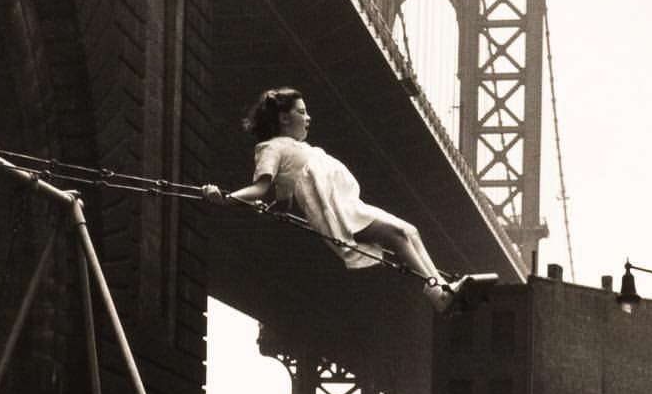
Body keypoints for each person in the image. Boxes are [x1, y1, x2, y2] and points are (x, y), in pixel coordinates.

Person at [201, 87, 497, 314]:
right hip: (334, 210)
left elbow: (285, 198)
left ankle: (442, 289)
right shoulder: (270, 147)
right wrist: (224, 199)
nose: (308, 117)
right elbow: (260, 187)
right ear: (283, 117)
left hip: (345, 200)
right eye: (302, 112)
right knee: (396, 234)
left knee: (409, 230)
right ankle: (438, 293)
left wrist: (275, 210)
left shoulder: (296, 147)